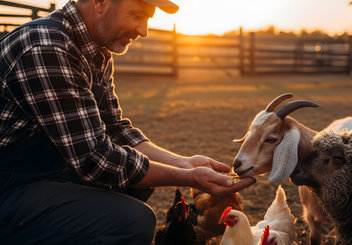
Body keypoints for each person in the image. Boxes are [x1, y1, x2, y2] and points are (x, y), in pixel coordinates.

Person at [0, 0, 255, 244]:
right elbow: (96, 160)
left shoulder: (95, 52)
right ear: (101, 2)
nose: (143, 31)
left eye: (147, 19)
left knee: (135, 184)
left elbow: (115, 128)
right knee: (133, 221)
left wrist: (183, 163)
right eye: (136, 15)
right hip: (9, 186)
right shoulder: (46, 48)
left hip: (40, 172)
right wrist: (189, 178)